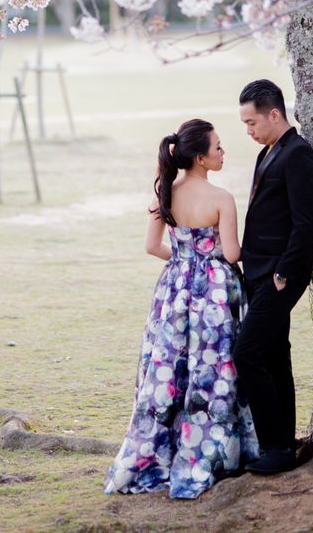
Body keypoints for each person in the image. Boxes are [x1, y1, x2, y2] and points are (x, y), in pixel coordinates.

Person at [104, 118, 259, 499]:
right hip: (215, 293)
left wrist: (184, 260)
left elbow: (152, 246)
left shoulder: (165, 194)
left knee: (170, 367)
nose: (223, 152)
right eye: (218, 147)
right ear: (202, 158)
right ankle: (210, 451)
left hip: (174, 289)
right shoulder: (221, 198)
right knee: (212, 366)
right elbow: (234, 253)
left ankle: (158, 453)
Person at [234, 79, 313, 475]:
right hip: (257, 271)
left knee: (247, 353)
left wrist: (285, 272)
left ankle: (274, 446)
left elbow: (306, 223)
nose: (248, 131)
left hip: (279, 275)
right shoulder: (268, 152)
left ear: (274, 114)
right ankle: (284, 445)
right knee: (273, 355)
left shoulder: (299, 155)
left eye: (252, 122)